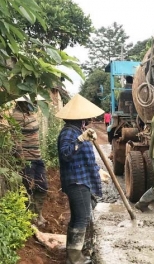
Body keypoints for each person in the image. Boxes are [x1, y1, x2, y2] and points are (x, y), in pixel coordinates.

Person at [56, 94, 105, 264]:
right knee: (82, 217)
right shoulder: (70, 132)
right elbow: (66, 154)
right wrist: (80, 139)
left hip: (82, 179)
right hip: (76, 182)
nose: (90, 119)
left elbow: (84, 158)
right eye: (87, 116)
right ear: (80, 117)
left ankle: (75, 253)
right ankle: (75, 258)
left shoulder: (78, 131)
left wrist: (98, 171)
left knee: (79, 217)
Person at [11, 94, 48, 227]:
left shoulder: (29, 113)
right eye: (31, 101)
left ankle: (38, 214)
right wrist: (21, 159)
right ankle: (29, 218)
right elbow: (15, 139)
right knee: (28, 188)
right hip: (27, 159)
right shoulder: (16, 116)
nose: (34, 103)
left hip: (37, 157)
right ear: (22, 102)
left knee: (42, 186)